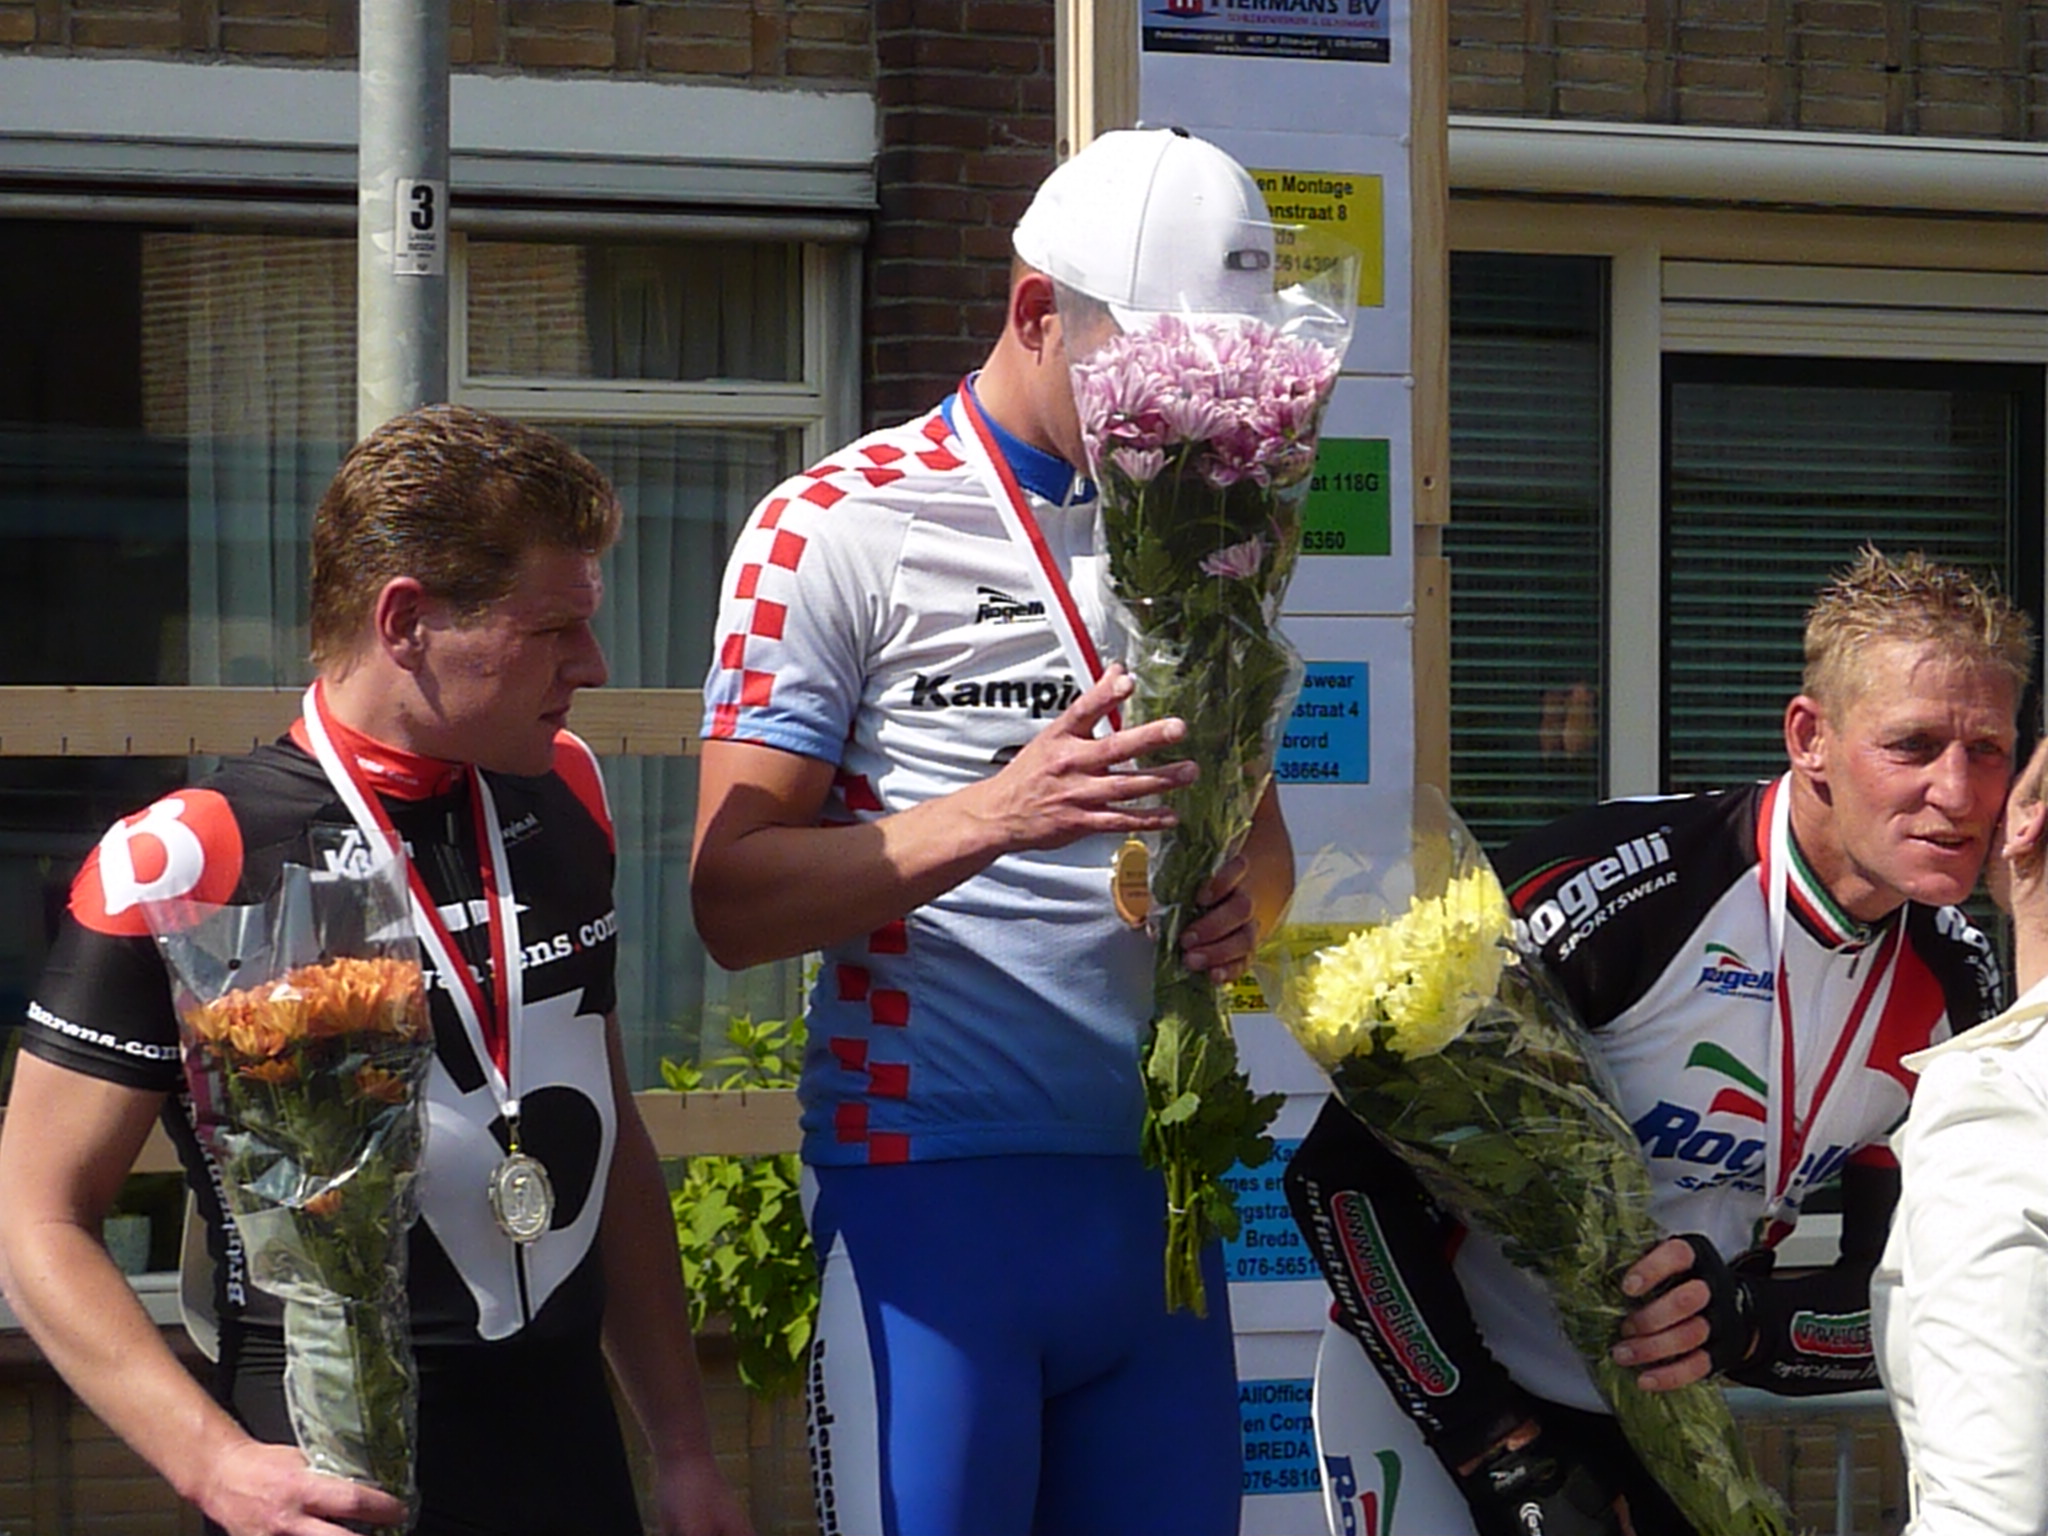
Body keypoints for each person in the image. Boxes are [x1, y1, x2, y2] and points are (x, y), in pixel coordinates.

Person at [0, 405, 752, 1536]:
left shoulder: (568, 789)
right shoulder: (185, 855)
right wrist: (209, 1464)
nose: (592, 665)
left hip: (569, 1460)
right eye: (552, 630)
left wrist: (686, 1453)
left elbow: (612, 1136)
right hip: (324, 1480)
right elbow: (34, 1217)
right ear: (406, 620)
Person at [689, 127, 1292, 1536]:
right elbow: (728, 899)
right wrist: (996, 815)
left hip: (1154, 1215)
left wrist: (1237, 906)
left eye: (1219, 375)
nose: (1191, 410)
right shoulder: (832, 525)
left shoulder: (1216, 529)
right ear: (1038, 315)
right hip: (932, 1201)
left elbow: (1259, 845)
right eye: (1156, 371)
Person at [1286, 547, 2029, 1536]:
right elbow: (1338, 1183)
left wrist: (1747, 1327)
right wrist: (1490, 1448)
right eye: (1911, 745)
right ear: (1808, 737)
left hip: (1663, 1423)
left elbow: (1910, 1297)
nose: (1956, 791)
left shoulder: (1958, 976)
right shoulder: (1627, 895)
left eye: (1986, 749)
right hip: (1445, 1401)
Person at [1873, 732, 2048, 1535]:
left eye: (1990, 755)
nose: (1954, 792)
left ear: (2026, 820)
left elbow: (1989, 1516)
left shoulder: (2001, 1095)